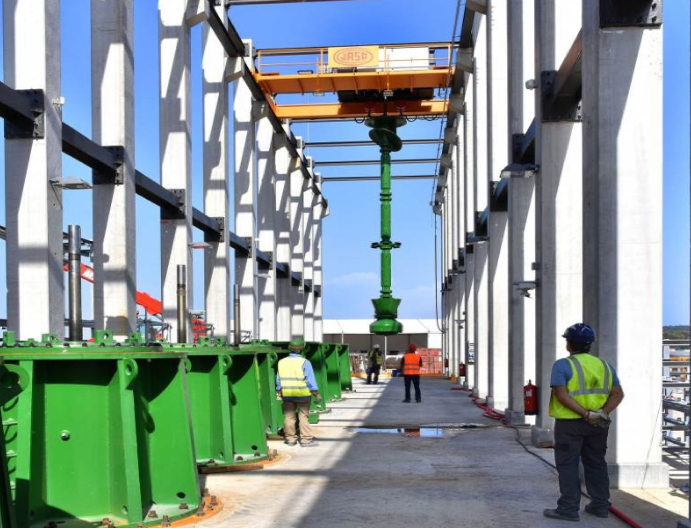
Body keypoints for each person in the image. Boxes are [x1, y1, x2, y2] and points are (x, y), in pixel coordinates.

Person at [543, 323, 625, 522]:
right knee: (596, 462)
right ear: (590, 345)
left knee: (568, 464)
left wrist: (585, 414)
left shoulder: (563, 365)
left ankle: (568, 509)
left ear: (569, 344)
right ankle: (600, 505)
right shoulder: (604, 366)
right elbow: (618, 394)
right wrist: (601, 413)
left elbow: (562, 396)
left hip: (570, 424)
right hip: (598, 424)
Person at [276, 338, 321, 447]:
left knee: (289, 417)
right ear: (302, 349)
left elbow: (278, 380)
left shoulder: (281, 362)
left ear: (289, 348)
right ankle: (305, 440)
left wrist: (279, 391)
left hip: (287, 394)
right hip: (302, 395)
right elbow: (310, 381)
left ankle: (290, 439)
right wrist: (316, 394)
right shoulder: (305, 362)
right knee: (303, 417)